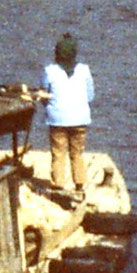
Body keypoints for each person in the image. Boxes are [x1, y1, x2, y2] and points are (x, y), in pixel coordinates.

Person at [40, 33, 94, 193]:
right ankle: (79, 183)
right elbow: (90, 96)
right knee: (77, 153)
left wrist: (50, 106)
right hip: (80, 119)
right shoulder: (85, 70)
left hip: (57, 119)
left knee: (58, 152)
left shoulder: (49, 71)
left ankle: (58, 184)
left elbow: (44, 95)